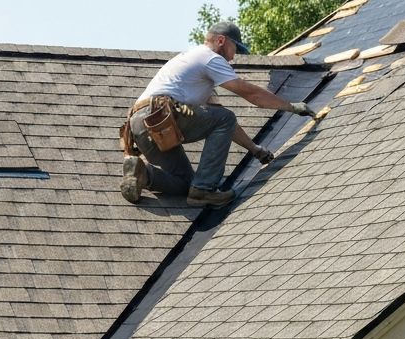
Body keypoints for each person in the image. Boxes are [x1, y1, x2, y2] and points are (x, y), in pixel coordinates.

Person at [121, 21, 316, 208]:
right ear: (221, 41)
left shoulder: (191, 63)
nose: (233, 58)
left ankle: (142, 173)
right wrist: (291, 106)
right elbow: (251, 95)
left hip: (139, 126)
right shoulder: (210, 58)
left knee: (185, 183)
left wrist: (255, 149)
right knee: (224, 119)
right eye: (234, 49)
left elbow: (221, 121)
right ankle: (204, 190)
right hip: (160, 114)